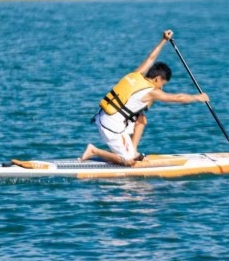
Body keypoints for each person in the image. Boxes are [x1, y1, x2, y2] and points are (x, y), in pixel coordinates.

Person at [79, 29, 209, 166]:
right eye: (162, 84)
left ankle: (131, 150)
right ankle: (94, 151)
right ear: (158, 79)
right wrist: (199, 97)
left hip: (107, 116)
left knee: (141, 119)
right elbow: (178, 97)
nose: (162, 88)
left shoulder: (137, 74)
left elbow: (151, 58)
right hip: (110, 125)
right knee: (130, 162)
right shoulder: (151, 91)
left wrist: (164, 40)